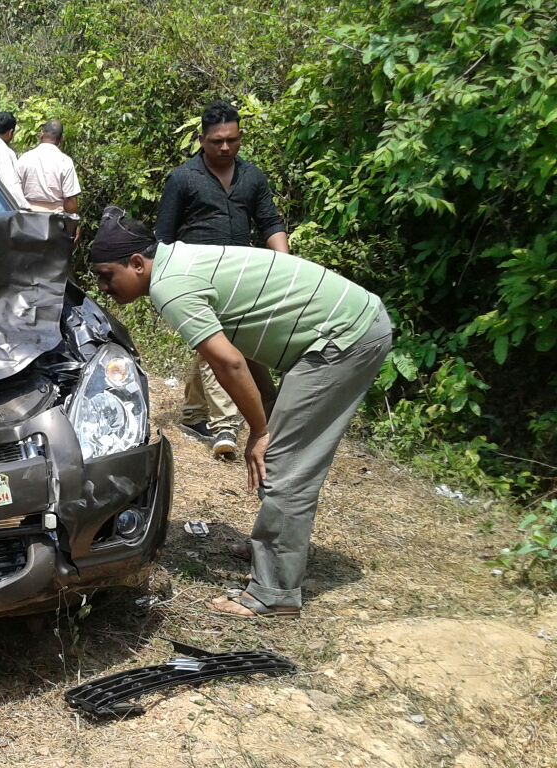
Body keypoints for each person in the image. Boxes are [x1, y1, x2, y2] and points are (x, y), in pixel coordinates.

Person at [89, 209, 391, 619]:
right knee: (279, 449)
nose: (105, 287)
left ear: (138, 264)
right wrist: (265, 410)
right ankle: (273, 545)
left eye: (107, 275)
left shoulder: (170, 287)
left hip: (343, 338)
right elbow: (245, 332)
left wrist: (262, 430)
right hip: (343, 325)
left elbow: (228, 362)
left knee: (285, 462)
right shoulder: (182, 259)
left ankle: (274, 592)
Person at [156, 101, 289, 460]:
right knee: (220, 343)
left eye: (231, 140)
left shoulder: (252, 177)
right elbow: (164, 235)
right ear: (201, 140)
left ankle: (194, 413)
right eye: (216, 141)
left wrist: (285, 264)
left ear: (240, 137)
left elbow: (270, 223)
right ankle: (225, 425)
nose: (225, 147)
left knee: (212, 346)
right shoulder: (183, 178)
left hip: (242, 276)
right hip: (196, 277)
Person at [17, 119, 81, 214]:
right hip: (55, 222)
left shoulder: (25, 158)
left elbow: (15, 191)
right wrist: (74, 225)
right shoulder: (65, 161)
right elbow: (70, 200)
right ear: (61, 139)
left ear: (41, 134)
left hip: (27, 219)